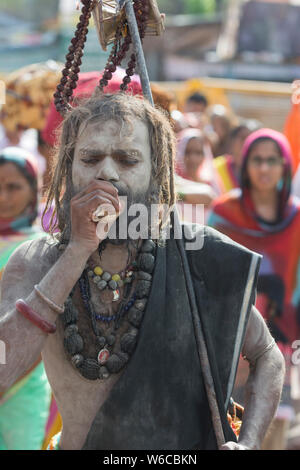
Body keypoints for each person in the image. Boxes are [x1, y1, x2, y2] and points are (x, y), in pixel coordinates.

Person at [0, 93, 284, 451]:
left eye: (127, 159)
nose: (106, 172)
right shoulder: (35, 261)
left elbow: (266, 354)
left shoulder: (197, 256)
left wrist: (250, 441)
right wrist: (77, 251)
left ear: (157, 174)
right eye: (90, 158)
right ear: (69, 168)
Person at [208, 128, 300, 449]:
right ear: (244, 164)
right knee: (227, 430)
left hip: (284, 341)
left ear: (285, 166)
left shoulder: (298, 217)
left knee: (274, 429)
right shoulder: (223, 213)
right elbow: (206, 273)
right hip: (229, 341)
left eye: (272, 161)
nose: (264, 168)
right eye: (257, 160)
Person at [0, 147, 51, 450]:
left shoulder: (40, 249)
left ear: (34, 191)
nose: (3, 196)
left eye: (13, 187)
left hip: (22, 380)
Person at [175, 128, 218, 223]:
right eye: (187, 152)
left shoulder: (212, 181)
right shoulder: (173, 180)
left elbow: (211, 198)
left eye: (198, 153)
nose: (193, 158)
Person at [213, 121, 261, 194]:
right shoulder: (215, 167)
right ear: (232, 141)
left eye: (252, 140)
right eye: (242, 138)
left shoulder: (264, 170)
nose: (246, 143)